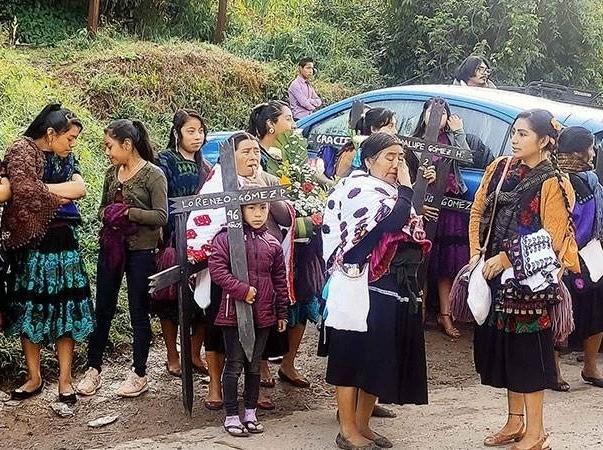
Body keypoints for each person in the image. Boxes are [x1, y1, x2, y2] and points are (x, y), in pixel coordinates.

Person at [469, 109, 579, 450]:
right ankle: (514, 423)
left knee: (527, 357)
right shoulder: (500, 169)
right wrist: (477, 254)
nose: (515, 139)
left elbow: (553, 238)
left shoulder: (554, 182)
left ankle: (536, 433)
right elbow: (478, 211)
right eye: (514, 132)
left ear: (544, 140)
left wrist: (506, 257)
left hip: (529, 287)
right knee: (504, 354)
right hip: (493, 275)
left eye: (524, 134)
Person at [321, 132, 430, 449]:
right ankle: (347, 429)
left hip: (388, 283)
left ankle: (364, 424)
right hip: (357, 283)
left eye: (400, 157)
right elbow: (391, 223)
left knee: (378, 356)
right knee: (351, 356)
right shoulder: (359, 188)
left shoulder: (392, 192)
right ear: (369, 161)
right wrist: (408, 191)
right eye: (389, 157)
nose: (397, 164)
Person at [186, 131, 294, 411]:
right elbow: (202, 223)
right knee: (217, 326)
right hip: (222, 269)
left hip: (257, 268)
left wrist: (261, 187)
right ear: (229, 156)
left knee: (256, 326)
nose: (252, 157)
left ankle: (251, 390)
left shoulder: (260, 180)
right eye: (245, 151)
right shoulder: (217, 184)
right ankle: (214, 385)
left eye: (256, 152)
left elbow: (281, 214)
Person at [2, 104, 93, 404]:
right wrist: (59, 194)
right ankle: (34, 377)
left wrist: (41, 191)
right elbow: (23, 192)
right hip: (31, 246)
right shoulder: (22, 153)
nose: (72, 144)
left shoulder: (67, 158)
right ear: (51, 134)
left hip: (63, 245)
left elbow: (79, 189)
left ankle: (65, 382)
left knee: (66, 310)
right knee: (30, 310)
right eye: (70, 138)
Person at [77, 119, 167, 398]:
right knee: (102, 306)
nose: (107, 152)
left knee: (138, 310)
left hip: (141, 251)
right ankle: (94, 369)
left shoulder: (154, 176)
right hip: (111, 247)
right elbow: (103, 208)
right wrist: (109, 214)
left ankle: (139, 372)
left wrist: (130, 213)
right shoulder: (111, 174)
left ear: (127, 145)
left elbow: (161, 216)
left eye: (109, 146)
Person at [248, 102, 323, 402]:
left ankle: (289, 363)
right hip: (271, 239)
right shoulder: (258, 159)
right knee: (269, 302)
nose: (293, 123)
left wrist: (317, 204)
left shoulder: (295, 154)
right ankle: (263, 362)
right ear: (270, 125)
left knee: (303, 298)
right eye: (288, 119)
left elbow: (311, 185)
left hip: (301, 239)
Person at [209, 200, 289, 437]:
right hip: (233, 314)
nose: (258, 214)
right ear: (240, 210)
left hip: (263, 314)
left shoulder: (272, 243)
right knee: (233, 364)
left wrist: (281, 311)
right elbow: (217, 270)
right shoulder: (225, 238)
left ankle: (251, 412)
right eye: (251, 208)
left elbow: (279, 280)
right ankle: (232, 415)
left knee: (254, 365)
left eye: (262, 208)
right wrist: (242, 290)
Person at [153, 109, 212, 377]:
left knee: (203, 296)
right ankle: (172, 354)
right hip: (173, 237)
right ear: (177, 133)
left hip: (201, 238)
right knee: (171, 300)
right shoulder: (165, 161)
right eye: (191, 131)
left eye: (200, 131)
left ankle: (194, 351)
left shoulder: (206, 166)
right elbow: (160, 199)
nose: (197, 136)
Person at [413, 97, 470, 338]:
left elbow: (467, 157)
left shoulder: (450, 140)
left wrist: (459, 132)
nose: (437, 116)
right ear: (423, 115)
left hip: (448, 208)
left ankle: (445, 315)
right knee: (420, 261)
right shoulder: (412, 144)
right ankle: (418, 311)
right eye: (431, 111)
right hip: (421, 207)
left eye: (442, 112)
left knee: (446, 264)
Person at [555, 126, 603, 389]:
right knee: (564, 312)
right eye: (591, 147)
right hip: (565, 256)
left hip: (592, 256)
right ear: (577, 151)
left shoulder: (591, 181)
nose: (594, 152)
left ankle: (590, 366)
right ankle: (554, 369)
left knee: (598, 308)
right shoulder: (557, 181)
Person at [288, 57, 322, 121]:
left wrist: (309, 100)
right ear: (300, 68)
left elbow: (319, 101)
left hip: (309, 118)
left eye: (312, 68)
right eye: (308, 68)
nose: (310, 71)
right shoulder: (295, 85)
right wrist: (314, 107)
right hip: (299, 119)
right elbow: (304, 103)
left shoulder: (308, 85)